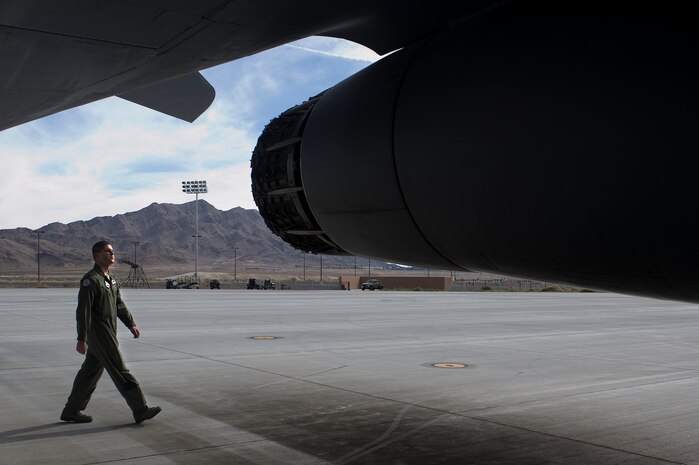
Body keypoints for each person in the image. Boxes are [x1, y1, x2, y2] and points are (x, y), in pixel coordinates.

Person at [61, 240, 161, 424]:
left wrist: (130, 323)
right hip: (99, 334)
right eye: (107, 251)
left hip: (109, 331)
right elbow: (83, 311)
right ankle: (140, 409)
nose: (112, 254)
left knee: (89, 373)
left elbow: (119, 304)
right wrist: (81, 338)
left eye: (112, 251)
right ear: (97, 256)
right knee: (120, 369)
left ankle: (71, 410)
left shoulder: (110, 279)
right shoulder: (91, 280)